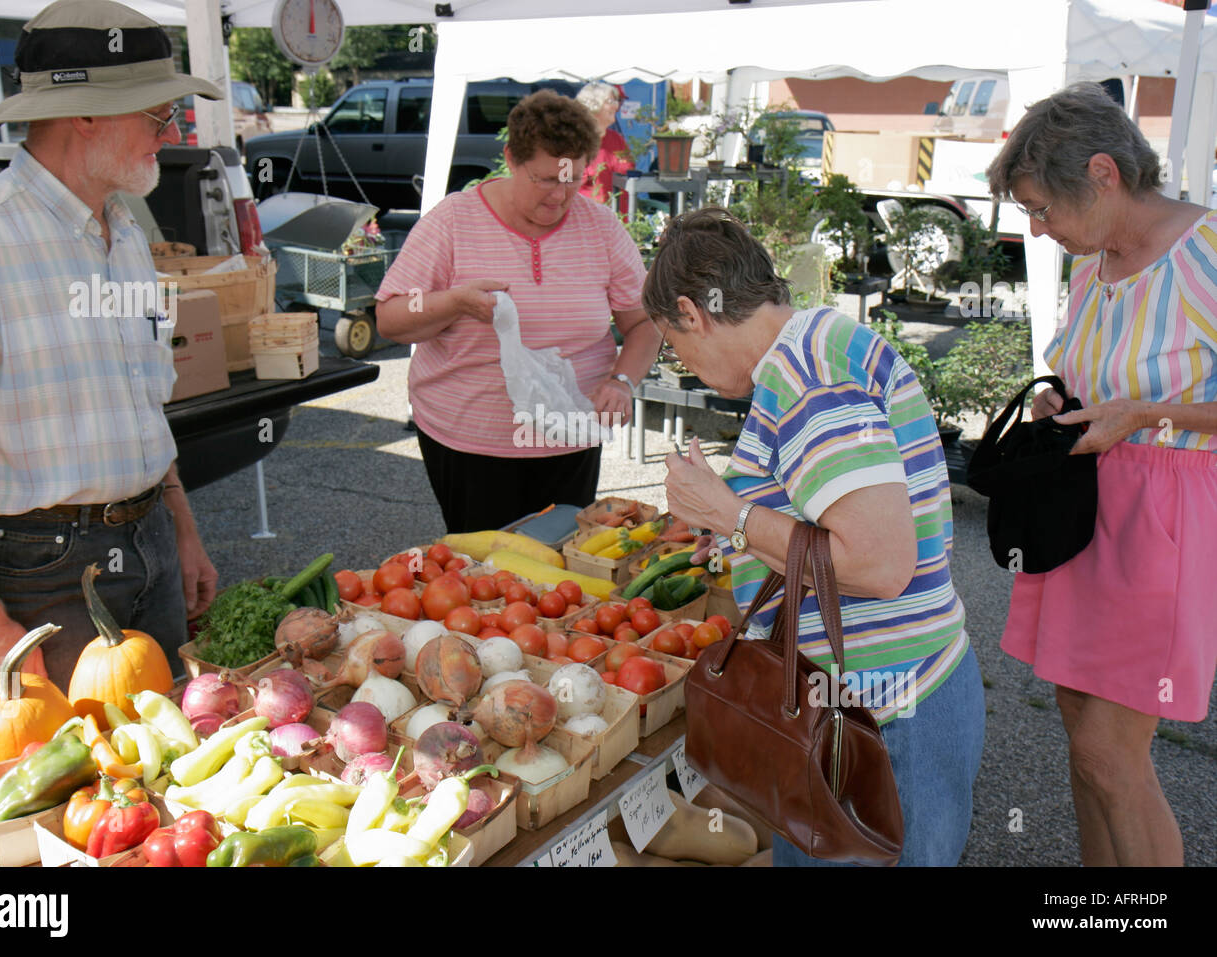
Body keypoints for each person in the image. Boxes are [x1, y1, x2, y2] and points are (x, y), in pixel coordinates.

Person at [647, 207, 984, 867]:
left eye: (672, 343)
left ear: (693, 312)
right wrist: (741, 535)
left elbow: (880, 563)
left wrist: (732, 515)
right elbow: (827, 521)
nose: (680, 361)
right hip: (885, 698)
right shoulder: (820, 342)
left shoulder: (805, 379)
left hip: (880, 716)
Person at [0, 0, 222, 695]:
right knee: (76, 781)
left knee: (167, 767)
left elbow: (145, 405)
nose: (169, 130)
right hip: (39, 567)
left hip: (149, 540)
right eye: (155, 112)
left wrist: (180, 524)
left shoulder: (126, 233)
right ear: (84, 114)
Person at [986, 82, 1217, 867]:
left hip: (1163, 519)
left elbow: (1148, 405)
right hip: (1078, 509)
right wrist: (1061, 398)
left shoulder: (1207, 251)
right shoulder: (1093, 269)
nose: (1039, 229)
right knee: (1083, 741)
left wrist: (1152, 416)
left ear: (1104, 173)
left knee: (1114, 754)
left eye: (1043, 207)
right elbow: (1080, 377)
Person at [376, 90, 661, 533]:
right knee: (485, 577)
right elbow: (392, 316)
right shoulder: (453, 221)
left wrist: (623, 381)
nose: (560, 196)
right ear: (511, 158)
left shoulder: (601, 227)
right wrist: (452, 302)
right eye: (546, 179)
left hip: (570, 436)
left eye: (573, 178)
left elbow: (642, 322)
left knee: (562, 573)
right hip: (470, 441)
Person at [575, 83, 633, 215]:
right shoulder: (572, 141)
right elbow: (562, 182)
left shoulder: (617, 139)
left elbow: (630, 171)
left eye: (617, 101)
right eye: (610, 101)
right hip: (584, 218)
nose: (616, 106)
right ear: (593, 105)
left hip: (618, 219)